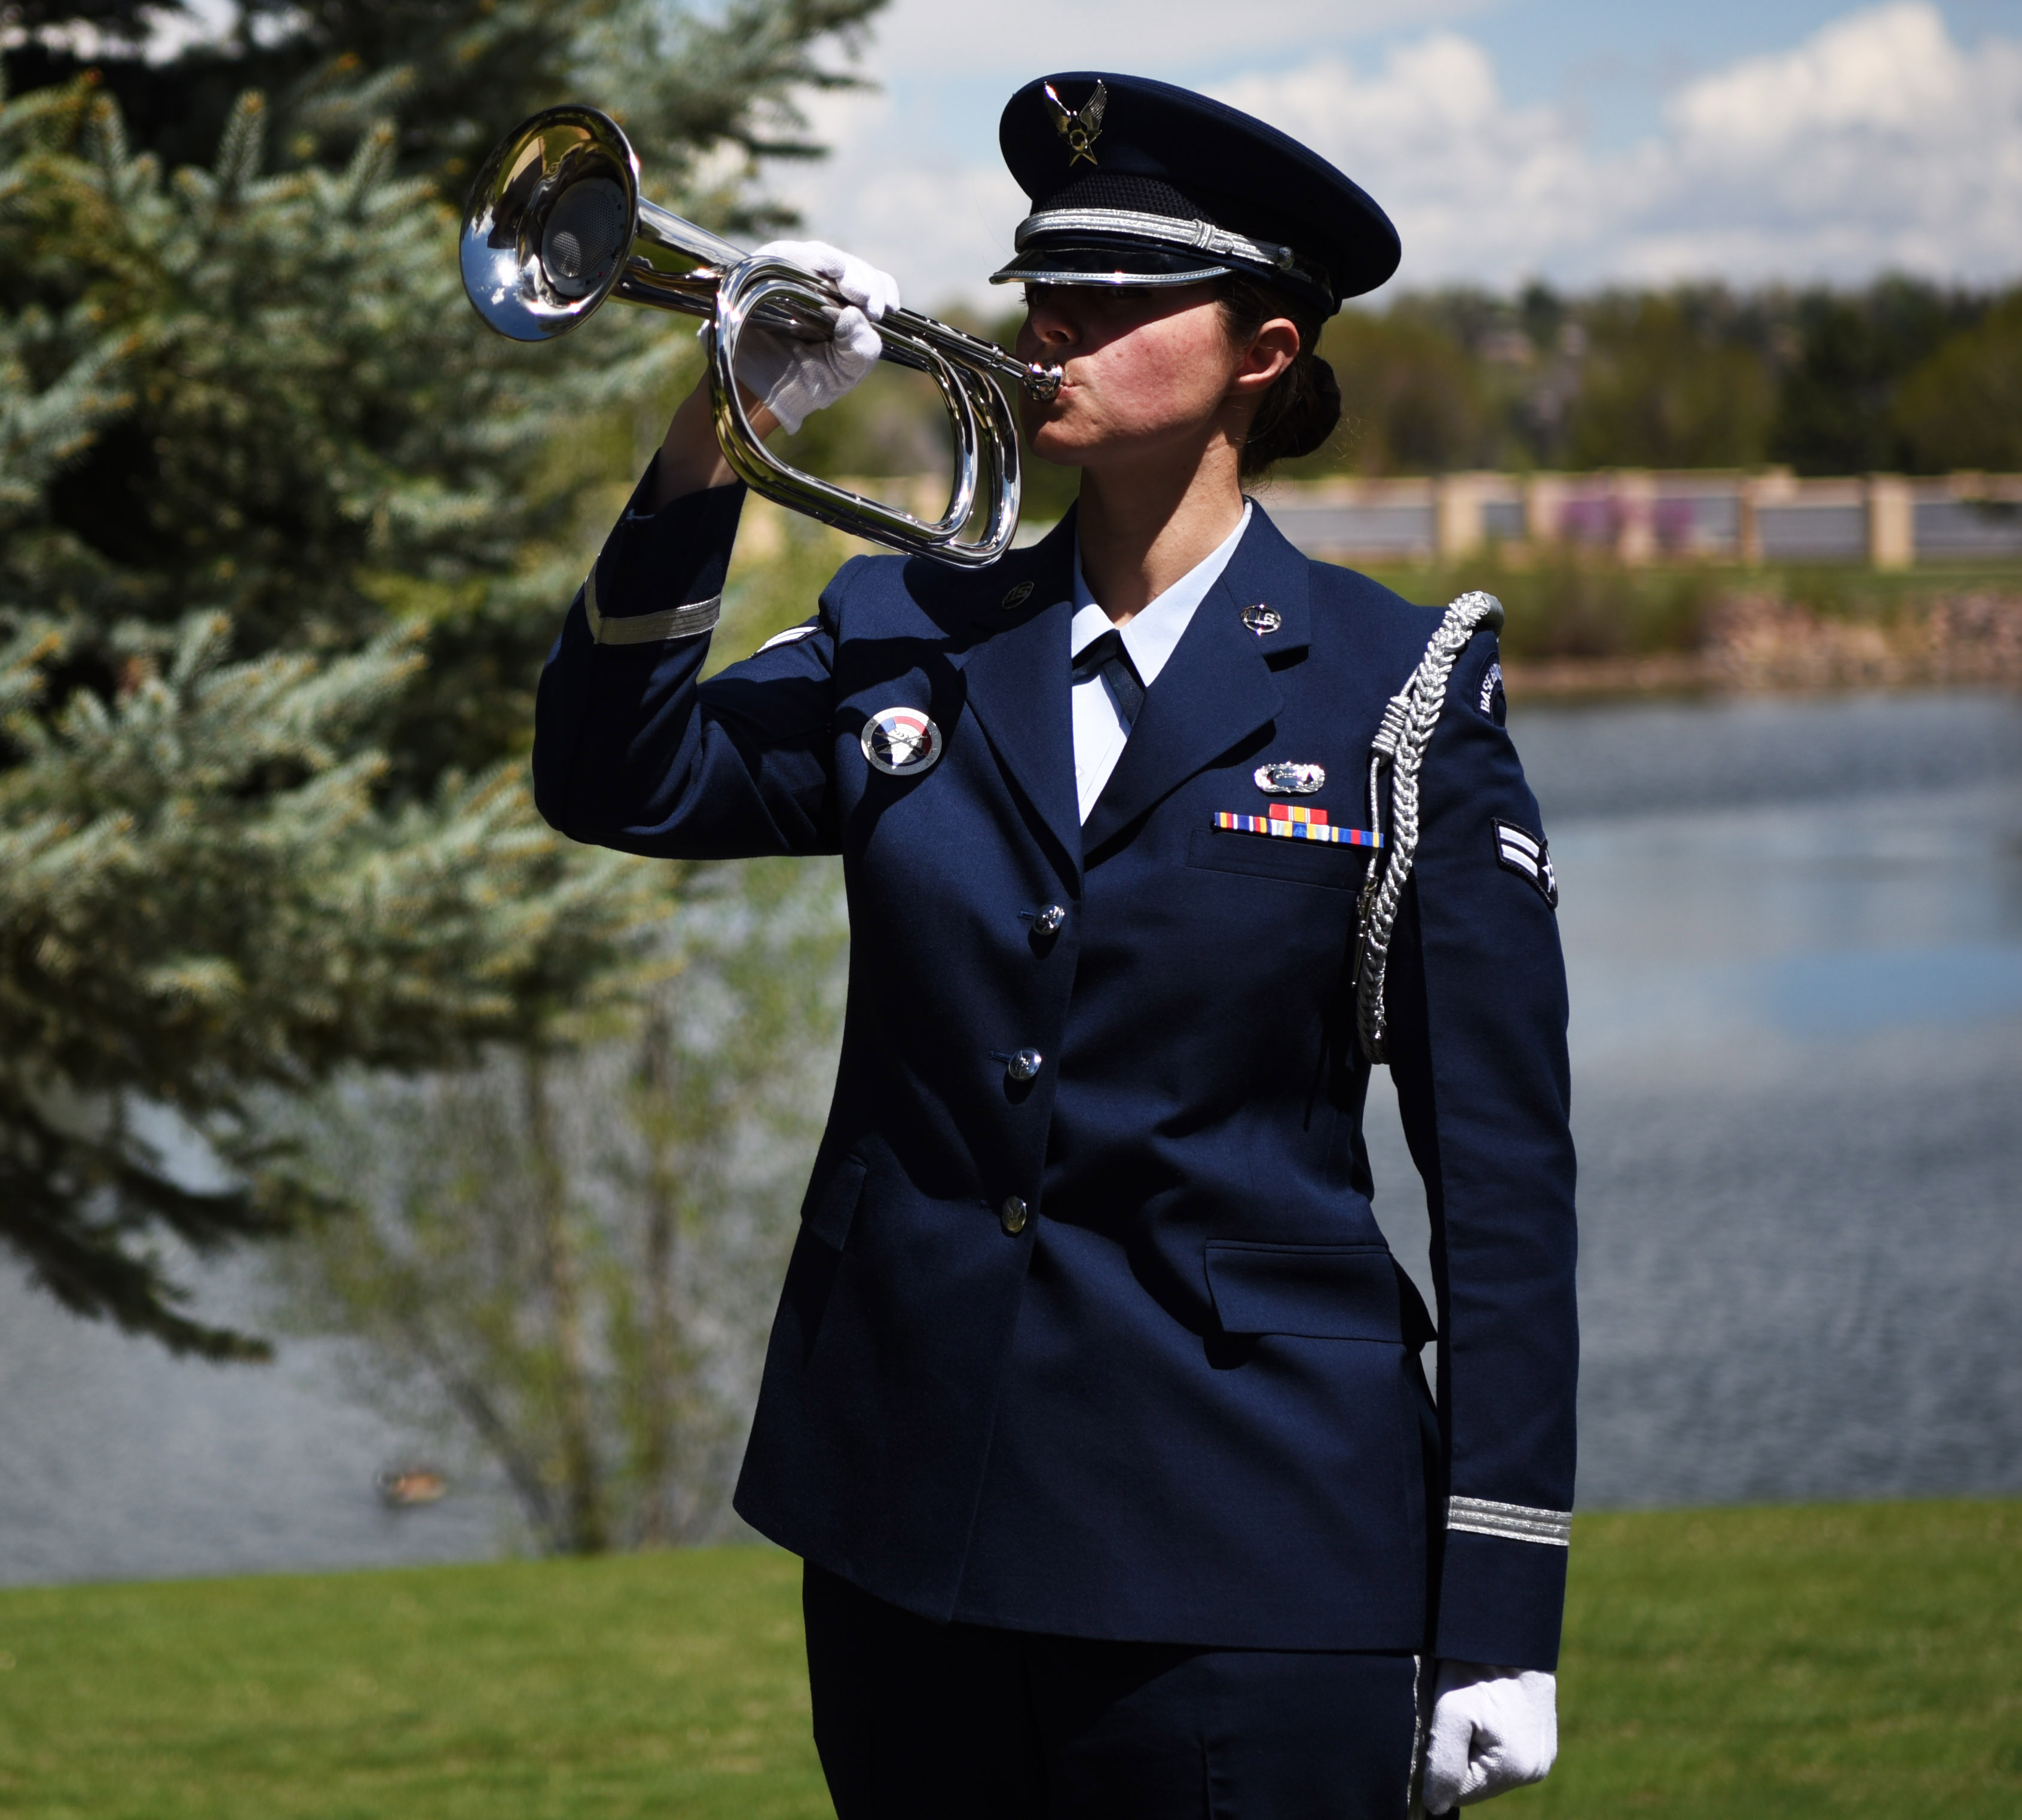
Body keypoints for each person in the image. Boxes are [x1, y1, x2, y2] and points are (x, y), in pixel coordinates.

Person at [531, 71, 1576, 1819]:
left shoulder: (1406, 695)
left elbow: (1506, 1190)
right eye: (1048, 282)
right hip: (907, 1551)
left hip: (1254, 1566)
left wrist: (1501, 1608)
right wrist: (721, 423)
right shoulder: (906, 628)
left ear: (1263, 349)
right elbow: (614, 776)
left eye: (1125, 292)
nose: (1058, 322)